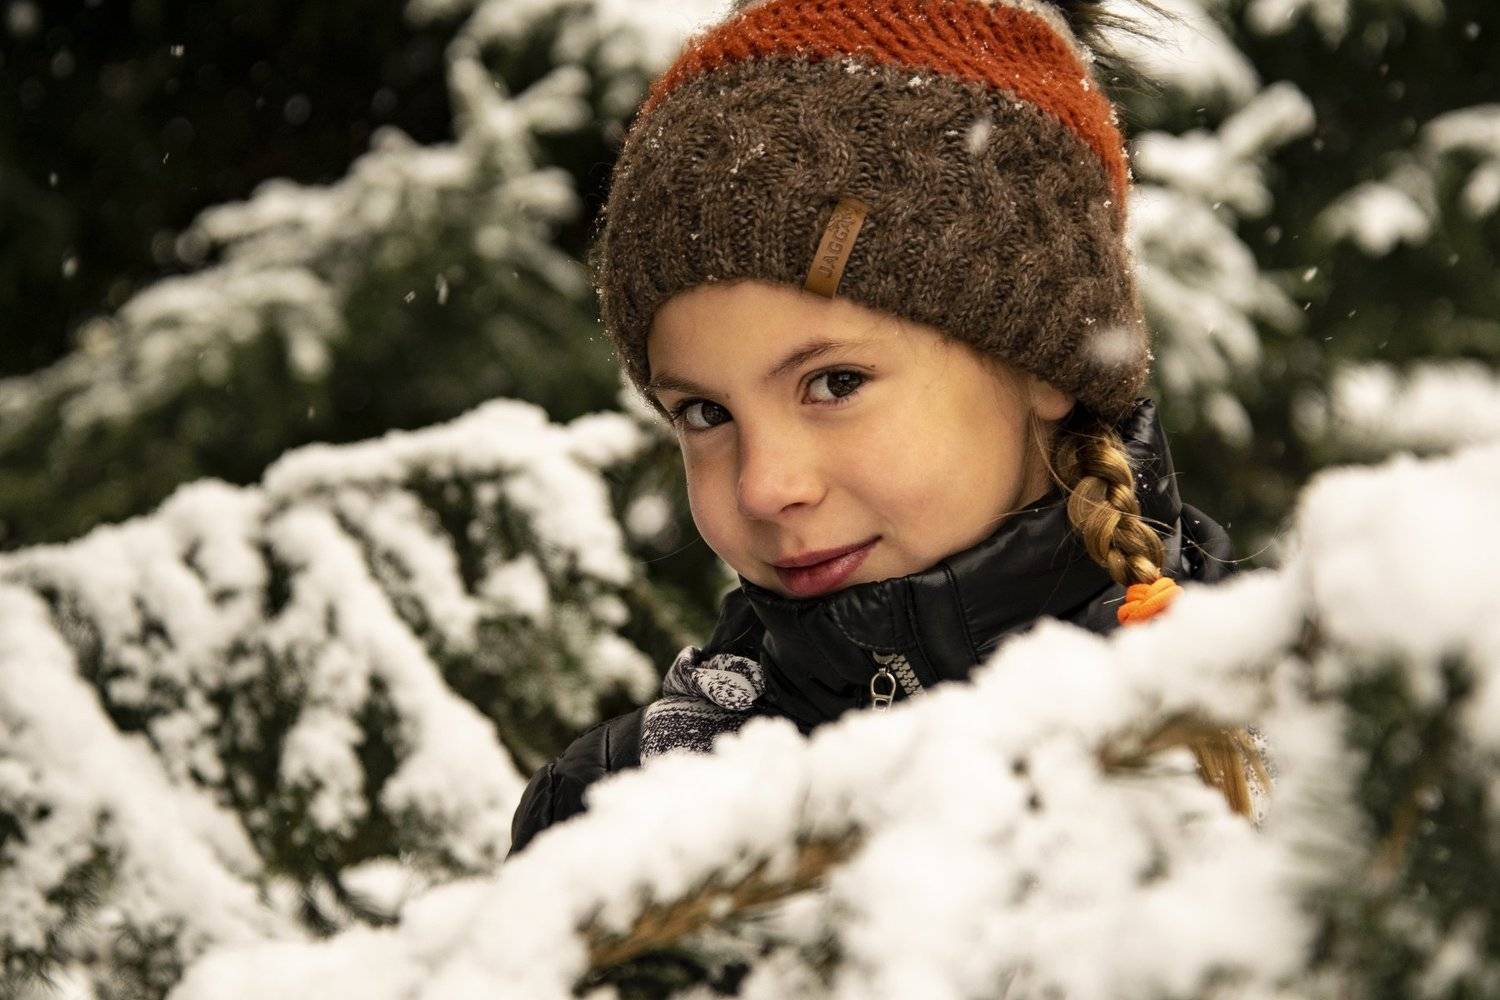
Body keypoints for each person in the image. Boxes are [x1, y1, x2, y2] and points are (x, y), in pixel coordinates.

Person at [507, 0, 1271, 857]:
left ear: (1045, 366)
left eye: (834, 383)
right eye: (706, 413)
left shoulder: (1300, 728)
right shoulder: (618, 812)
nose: (765, 487)